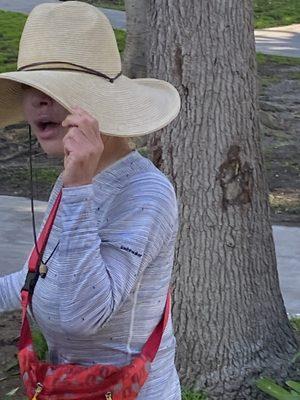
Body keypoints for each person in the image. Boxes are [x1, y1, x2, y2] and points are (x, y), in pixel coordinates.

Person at [0, 1, 181, 399]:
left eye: (58, 90)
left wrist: (79, 187)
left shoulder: (145, 192)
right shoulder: (76, 178)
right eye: (31, 88)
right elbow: (42, 275)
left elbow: (80, 315)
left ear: (101, 102)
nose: (38, 101)